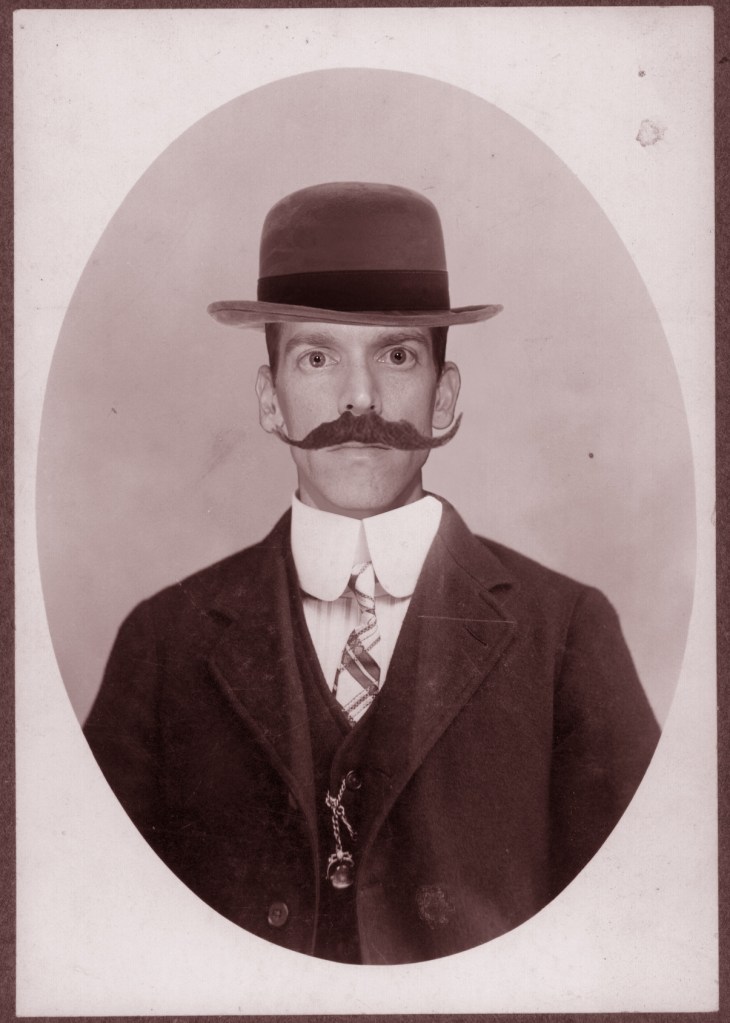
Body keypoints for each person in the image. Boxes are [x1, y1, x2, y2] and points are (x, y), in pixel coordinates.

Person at [84, 181, 660, 965]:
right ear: (270, 398)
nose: (359, 398)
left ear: (443, 396)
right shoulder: (162, 643)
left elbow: (632, 928)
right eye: (317, 357)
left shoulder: (567, 634)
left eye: (397, 355)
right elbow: (103, 928)